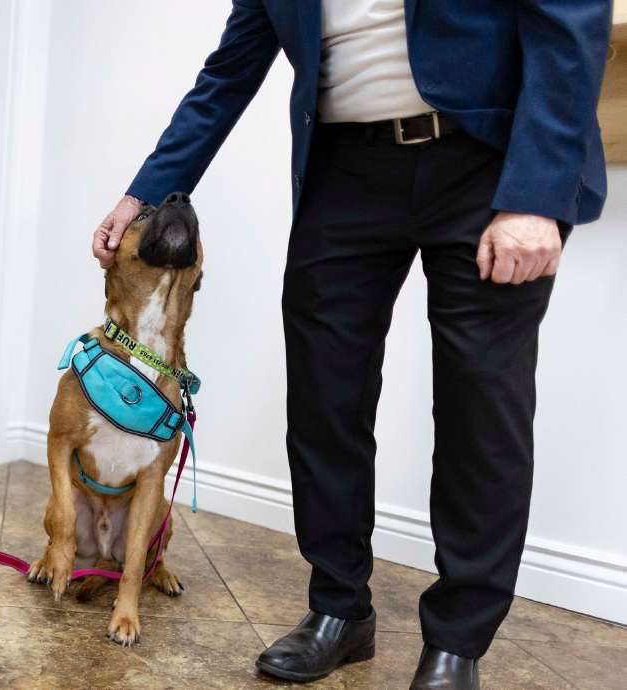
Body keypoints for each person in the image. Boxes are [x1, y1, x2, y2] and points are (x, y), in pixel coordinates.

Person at [93, 2, 611, 688]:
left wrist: (539, 193)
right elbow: (229, 72)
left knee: (480, 411)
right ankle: (339, 610)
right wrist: (145, 193)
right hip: (343, 169)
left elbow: (570, 19)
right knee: (324, 398)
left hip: (490, 163)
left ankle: (456, 643)